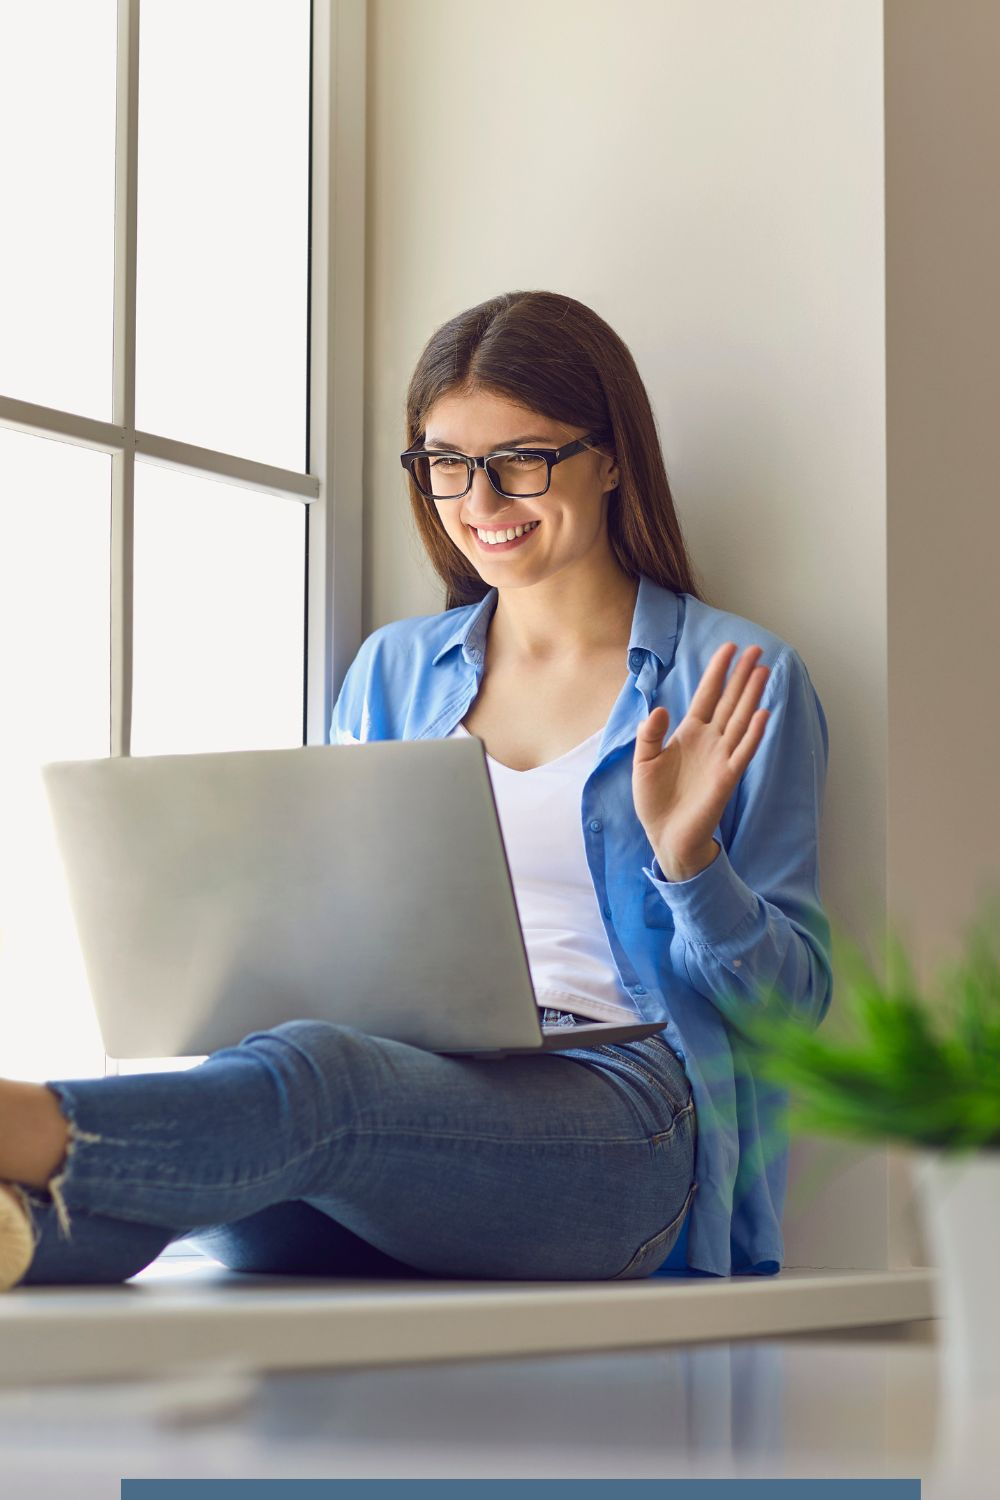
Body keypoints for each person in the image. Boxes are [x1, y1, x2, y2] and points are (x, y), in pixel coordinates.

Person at [0, 289, 832, 1291]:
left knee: (315, 1084)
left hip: (625, 1123)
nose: (480, 504)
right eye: (445, 464)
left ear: (611, 457)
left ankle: (25, 1117)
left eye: (519, 460)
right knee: (193, 1198)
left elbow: (794, 1010)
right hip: (399, 1109)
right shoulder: (391, 671)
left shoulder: (735, 676)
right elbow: (331, 930)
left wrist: (688, 862)